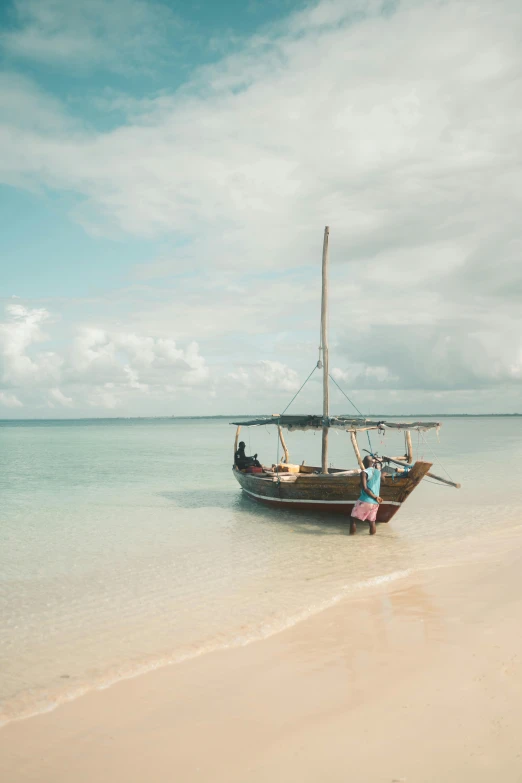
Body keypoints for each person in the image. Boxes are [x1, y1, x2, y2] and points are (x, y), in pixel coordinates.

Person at [350, 454, 382, 535]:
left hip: (365, 500)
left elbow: (365, 488)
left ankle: (351, 537)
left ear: (364, 462)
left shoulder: (364, 473)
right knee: (372, 522)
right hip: (375, 503)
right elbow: (383, 479)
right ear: (372, 462)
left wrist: (375, 497)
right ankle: (372, 540)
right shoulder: (378, 472)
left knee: (353, 519)